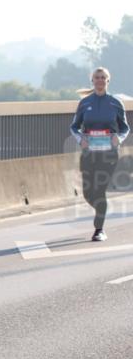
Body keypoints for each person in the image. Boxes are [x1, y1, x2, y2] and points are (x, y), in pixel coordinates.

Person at [69, 67, 129, 242]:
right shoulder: (85, 103)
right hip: (89, 154)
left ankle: (99, 229)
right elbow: (74, 127)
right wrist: (81, 140)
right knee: (89, 193)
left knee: (100, 190)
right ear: (92, 81)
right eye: (97, 77)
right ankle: (100, 209)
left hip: (109, 155)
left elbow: (125, 128)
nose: (100, 80)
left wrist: (119, 138)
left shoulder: (116, 103)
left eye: (103, 77)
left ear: (108, 81)